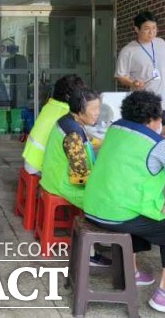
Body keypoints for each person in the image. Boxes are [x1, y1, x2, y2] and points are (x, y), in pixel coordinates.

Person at [83, 91, 165, 318]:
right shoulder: (157, 144)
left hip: (93, 207)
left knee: (139, 216)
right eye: (160, 118)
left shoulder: (115, 128)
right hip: (119, 215)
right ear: (152, 119)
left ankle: (132, 271)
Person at [40, 87, 110, 267]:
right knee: (105, 199)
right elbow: (80, 176)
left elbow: (83, 152)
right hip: (63, 183)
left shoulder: (68, 121)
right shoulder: (73, 134)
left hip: (54, 177)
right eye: (93, 109)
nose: (97, 113)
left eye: (98, 108)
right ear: (79, 109)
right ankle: (90, 252)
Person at [115, 10, 165, 125]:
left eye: (154, 28)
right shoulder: (128, 51)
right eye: (147, 28)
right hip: (146, 106)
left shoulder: (162, 43)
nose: (151, 32)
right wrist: (133, 83)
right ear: (137, 29)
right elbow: (120, 76)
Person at [22, 75, 86, 174]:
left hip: (31, 161)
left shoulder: (50, 105)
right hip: (41, 166)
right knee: (81, 167)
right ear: (70, 97)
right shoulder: (66, 112)